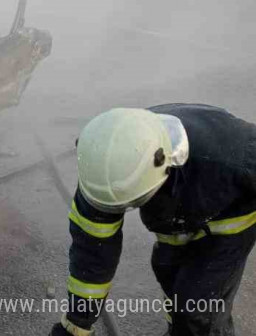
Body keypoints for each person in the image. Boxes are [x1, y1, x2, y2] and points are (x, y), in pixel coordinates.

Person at [51, 104, 256, 336]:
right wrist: (77, 325)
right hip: (176, 215)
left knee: (197, 305)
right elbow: (93, 255)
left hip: (230, 220)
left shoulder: (232, 156)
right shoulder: (103, 170)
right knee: (168, 270)